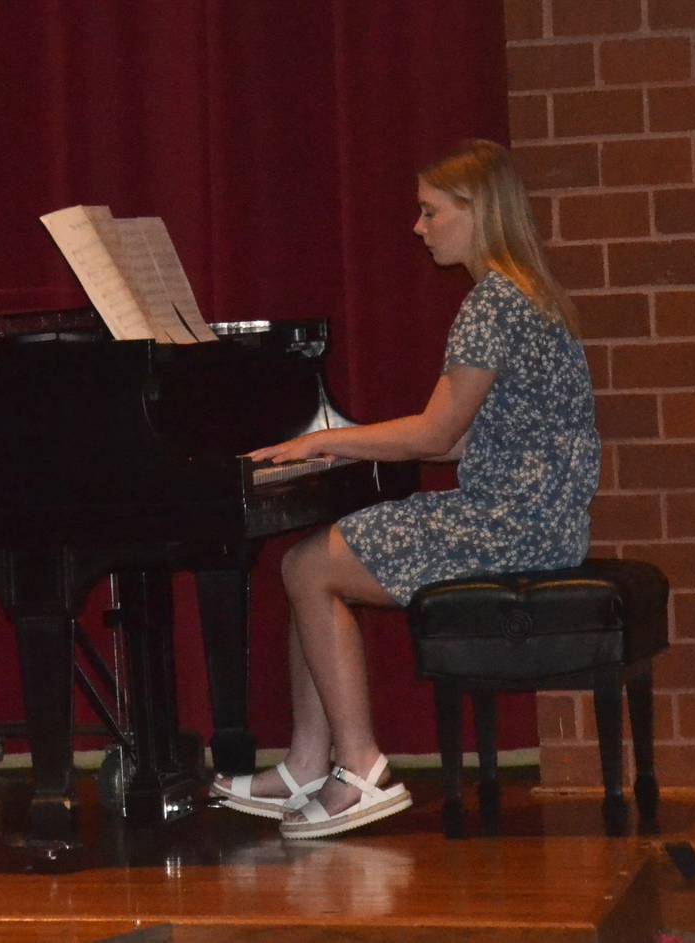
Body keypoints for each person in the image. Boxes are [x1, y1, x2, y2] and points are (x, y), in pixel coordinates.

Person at [209, 139, 599, 840]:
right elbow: (453, 440)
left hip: (512, 526)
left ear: (476, 213)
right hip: (541, 520)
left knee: (308, 565)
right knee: (309, 561)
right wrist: (345, 436)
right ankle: (305, 763)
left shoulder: (492, 305)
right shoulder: (527, 296)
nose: (417, 229)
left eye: (430, 212)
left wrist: (324, 440)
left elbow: (431, 435)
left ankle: (357, 769)